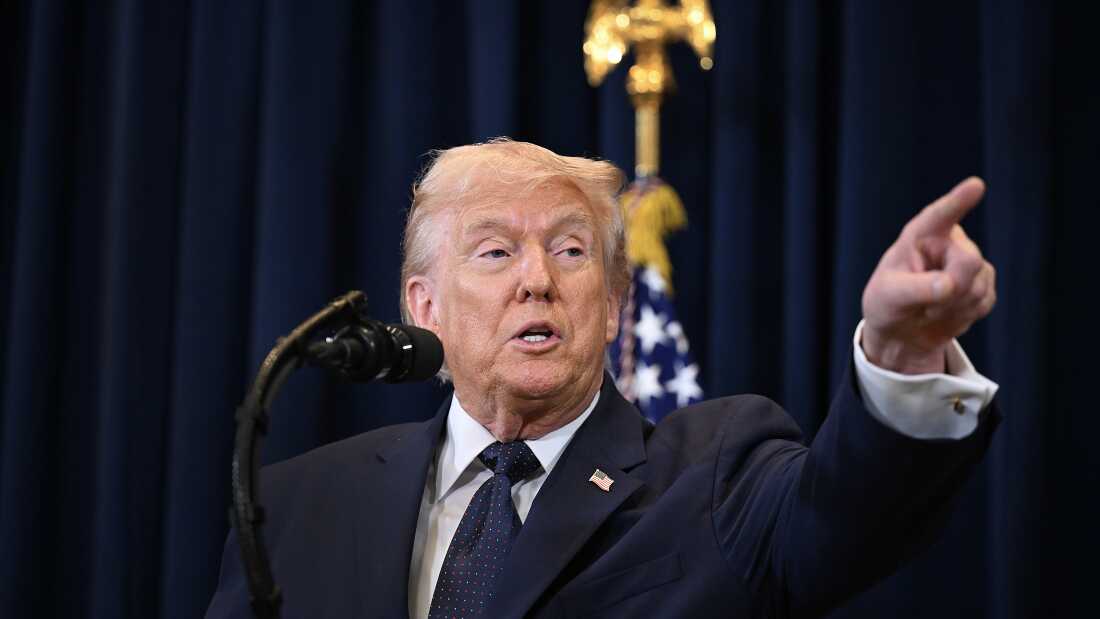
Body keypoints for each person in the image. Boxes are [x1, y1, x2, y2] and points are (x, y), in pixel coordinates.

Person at [206, 139, 999, 618]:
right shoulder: (301, 502)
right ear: (424, 307)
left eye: (572, 249)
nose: (538, 280)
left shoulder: (715, 474)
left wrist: (900, 359)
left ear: (614, 305)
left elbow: (847, 514)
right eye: (495, 251)